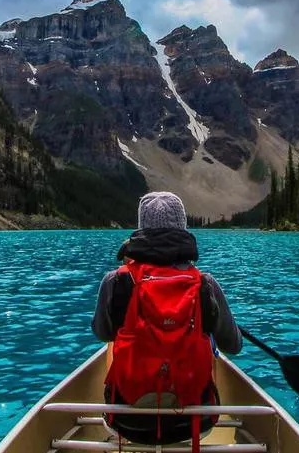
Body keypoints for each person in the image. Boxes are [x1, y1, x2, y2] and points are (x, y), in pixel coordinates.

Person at [92, 191, 241, 447]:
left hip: (127, 423)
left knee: (112, 341)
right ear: (182, 226)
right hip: (195, 423)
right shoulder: (205, 284)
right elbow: (234, 346)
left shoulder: (115, 281)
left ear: (141, 228)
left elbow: (102, 333)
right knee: (210, 343)